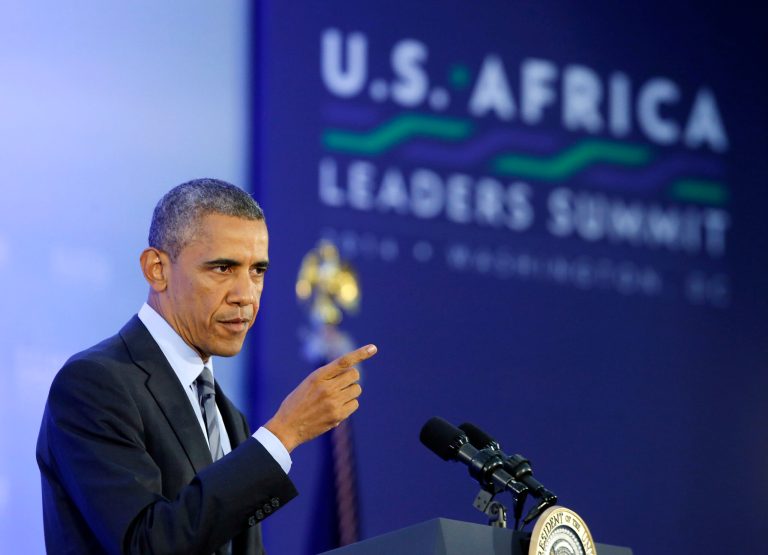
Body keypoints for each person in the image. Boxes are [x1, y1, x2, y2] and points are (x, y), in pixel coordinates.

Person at [36, 179, 377, 554]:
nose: (246, 295)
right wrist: (285, 433)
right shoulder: (94, 385)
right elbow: (146, 545)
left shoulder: (228, 416)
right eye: (222, 268)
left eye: (257, 271)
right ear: (156, 269)